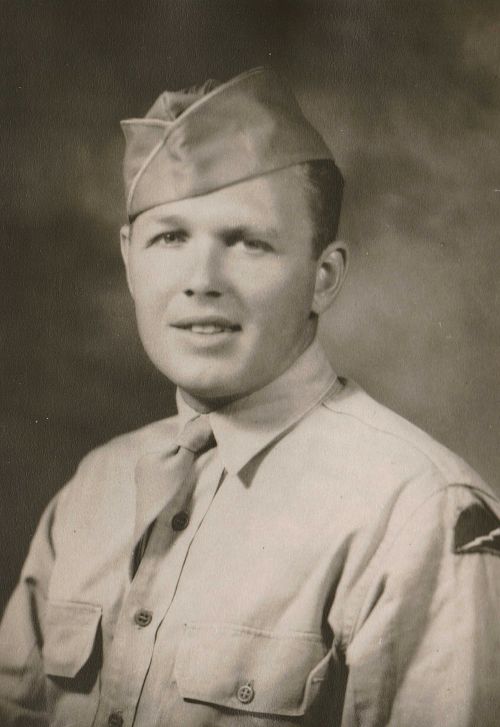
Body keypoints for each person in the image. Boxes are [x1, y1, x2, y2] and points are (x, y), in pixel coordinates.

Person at [0, 67, 499, 727]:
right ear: (129, 259)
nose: (201, 280)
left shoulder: (415, 516)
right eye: (170, 237)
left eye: (248, 242)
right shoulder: (95, 487)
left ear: (324, 277)